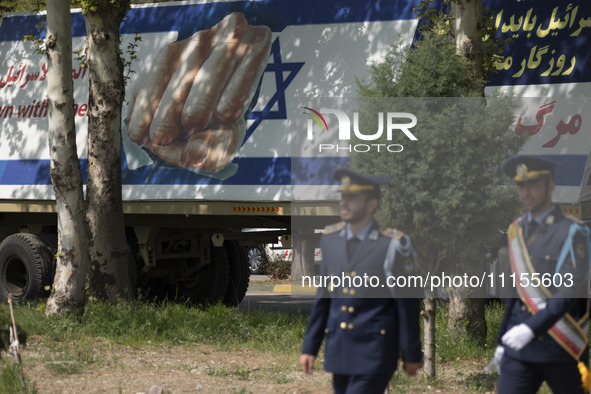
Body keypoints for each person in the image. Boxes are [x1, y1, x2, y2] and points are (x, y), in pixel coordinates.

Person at [299, 168, 424, 394]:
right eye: (343, 196)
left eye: (352, 198)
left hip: (375, 350)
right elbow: (324, 300)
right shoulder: (330, 240)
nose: (344, 203)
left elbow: (407, 304)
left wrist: (411, 352)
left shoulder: (393, 244)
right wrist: (310, 347)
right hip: (340, 349)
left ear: (371, 204)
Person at [492, 155, 591, 393]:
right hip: (520, 350)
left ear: (551, 185)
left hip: (561, 346)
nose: (527, 192)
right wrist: (502, 341)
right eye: (521, 185)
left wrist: (529, 329)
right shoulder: (516, 230)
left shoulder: (573, 232)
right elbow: (513, 294)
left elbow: (569, 292)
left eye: (534, 184)